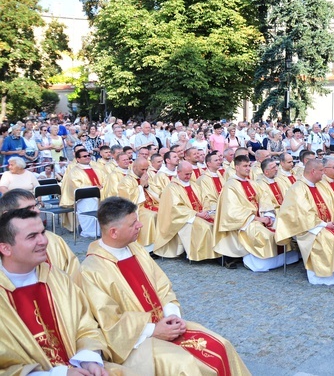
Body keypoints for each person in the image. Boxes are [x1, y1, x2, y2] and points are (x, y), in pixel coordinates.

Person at [78, 197, 251, 375]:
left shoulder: (135, 249)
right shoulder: (92, 271)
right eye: (133, 223)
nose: (140, 225)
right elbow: (109, 323)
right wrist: (154, 330)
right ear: (114, 232)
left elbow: (162, 285)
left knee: (221, 345)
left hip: (165, 323)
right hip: (135, 342)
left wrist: (172, 314)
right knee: (184, 365)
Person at [0, 207, 123, 375]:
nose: (43, 241)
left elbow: (85, 324)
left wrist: (88, 360)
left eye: (42, 233)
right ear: (6, 249)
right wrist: (59, 374)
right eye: (32, 236)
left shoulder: (57, 277)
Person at [275, 158, 334, 285]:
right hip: (309, 228)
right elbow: (304, 214)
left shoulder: (321, 185)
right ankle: (324, 275)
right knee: (329, 238)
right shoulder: (298, 189)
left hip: (326, 223)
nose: (323, 173)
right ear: (313, 171)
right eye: (321, 170)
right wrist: (325, 224)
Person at [214, 155, 299, 271]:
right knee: (265, 235)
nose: (248, 168)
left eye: (249, 165)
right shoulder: (230, 186)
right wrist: (257, 219)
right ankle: (256, 262)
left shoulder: (252, 183)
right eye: (244, 166)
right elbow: (232, 211)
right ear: (237, 167)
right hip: (246, 222)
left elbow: (264, 200)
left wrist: (268, 216)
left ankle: (285, 257)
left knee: (283, 228)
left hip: (261, 217)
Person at [0, 189, 80, 278]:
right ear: (7, 215)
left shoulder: (53, 240)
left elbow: (73, 273)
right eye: (28, 208)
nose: (38, 211)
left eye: (36, 206)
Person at [153, 161, 218, 262]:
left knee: (217, 221)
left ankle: (218, 253)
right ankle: (203, 255)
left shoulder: (194, 185)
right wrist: (196, 214)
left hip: (200, 213)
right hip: (185, 218)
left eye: (190, 174)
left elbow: (205, 199)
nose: (189, 176)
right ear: (178, 172)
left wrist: (205, 211)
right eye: (186, 174)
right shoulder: (172, 188)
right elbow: (175, 207)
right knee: (205, 227)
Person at [59, 148, 106, 238]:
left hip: (100, 195)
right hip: (85, 198)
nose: (88, 157)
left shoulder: (97, 169)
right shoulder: (74, 171)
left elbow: (105, 180)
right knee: (88, 214)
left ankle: (99, 231)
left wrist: (102, 186)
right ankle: (89, 232)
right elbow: (76, 185)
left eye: (89, 155)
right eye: (84, 156)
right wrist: (95, 188)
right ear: (78, 159)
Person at [117, 157, 158, 251]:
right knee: (151, 216)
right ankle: (148, 248)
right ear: (134, 167)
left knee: (165, 211)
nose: (145, 172)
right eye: (142, 169)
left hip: (151, 203)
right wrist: (141, 186)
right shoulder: (127, 180)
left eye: (146, 169)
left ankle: (160, 244)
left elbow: (157, 191)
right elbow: (128, 198)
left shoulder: (147, 176)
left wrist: (147, 186)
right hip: (137, 208)